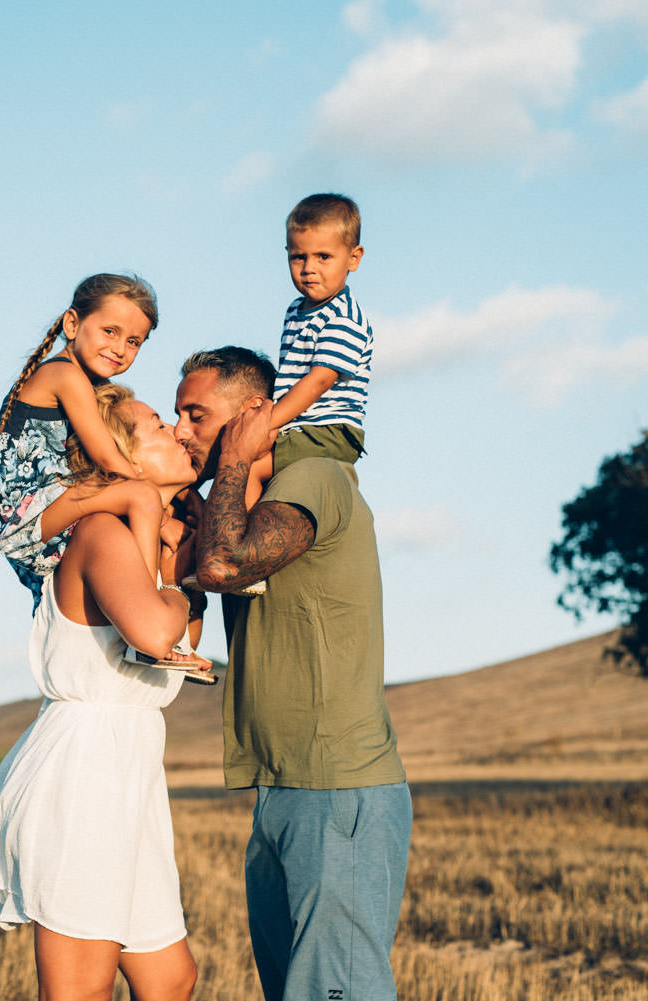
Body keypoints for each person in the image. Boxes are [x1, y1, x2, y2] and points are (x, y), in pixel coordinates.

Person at [0, 384, 207, 1001]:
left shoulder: (153, 546)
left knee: (171, 979)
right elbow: (155, 630)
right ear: (125, 460)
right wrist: (180, 591)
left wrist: (177, 567)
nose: (177, 430)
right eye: (156, 427)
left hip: (130, 772)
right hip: (85, 773)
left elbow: (176, 647)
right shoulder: (100, 533)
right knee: (79, 992)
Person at [174, 346, 410, 1001]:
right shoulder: (240, 501)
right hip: (280, 788)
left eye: (196, 414)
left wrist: (233, 459)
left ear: (252, 414)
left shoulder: (314, 478)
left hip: (336, 789)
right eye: (176, 416)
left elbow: (223, 566)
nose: (180, 430)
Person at [0, 274, 166, 612]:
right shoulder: (65, 375)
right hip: (28, 517)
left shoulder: (82, 381)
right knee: (143, 498)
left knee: (157, 516)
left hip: (43, 512)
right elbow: (106, 456)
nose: (120, 348)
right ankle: (148, 608)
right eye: (110, 331)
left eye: (134, 341)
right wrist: (145, 487)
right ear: (72, 323)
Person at [241, 193, 373, 517]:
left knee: (251, 465)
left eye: (323, 257)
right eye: (298, 257)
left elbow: (317, 382)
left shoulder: (345, 318)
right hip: (300, 424)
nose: (309, 268)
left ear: (353, 258)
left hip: (330, 429)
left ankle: (239, 547)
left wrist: (269, 423)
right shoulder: (296, 310)